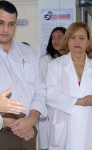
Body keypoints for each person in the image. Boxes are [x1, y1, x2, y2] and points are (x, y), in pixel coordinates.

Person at [0, 1, 47, 150]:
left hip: (29, 130)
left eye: (11, 24)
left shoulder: (28, 52)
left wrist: (31, 119)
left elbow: (40, 89)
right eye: (0, 22)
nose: (6, 29)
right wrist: (9, 122)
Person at [46, 22, 92, 150]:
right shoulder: (56, 65)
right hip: (64, 127)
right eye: (73, 37)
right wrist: (79, 101)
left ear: (88, 42)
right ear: (68, 40)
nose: (77, 41)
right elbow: (49, 95)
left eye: (82, 38)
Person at [38, 27, 66, 150]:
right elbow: (43, 86)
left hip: (66, 108)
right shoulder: (45, 60)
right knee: (48, 142)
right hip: (49, 109)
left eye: (60, 37)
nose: (56, 40)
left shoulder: (72, 60)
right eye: (53, 38)